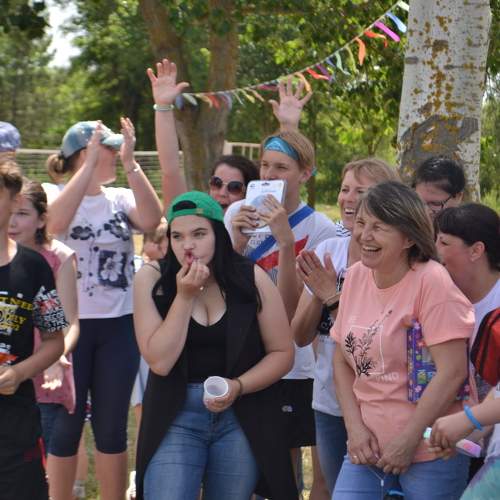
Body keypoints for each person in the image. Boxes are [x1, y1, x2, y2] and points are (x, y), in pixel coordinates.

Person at [133, 191, 296, 499]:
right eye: (177, 236)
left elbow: (282, 352)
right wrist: (184, 297)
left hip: (241, 414)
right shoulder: (152, 278)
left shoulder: (250, 277)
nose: (187, 245)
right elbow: (160, 361)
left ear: (218, 235)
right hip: (175, 414)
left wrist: (238, 386)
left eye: (199, 234)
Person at [41, 118, 162, 500]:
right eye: (110, 148)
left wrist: (131, 163)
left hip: (118, 327)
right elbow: (53, 224)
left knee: (111, 428)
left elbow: (152, 219)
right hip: (68, 330)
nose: (115, 153)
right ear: (83, 153)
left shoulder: (120, 197)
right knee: (65, 427)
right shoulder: (51, 192)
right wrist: (91, 164)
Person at [331, 181, 475, 499]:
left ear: (409, 237)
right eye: (362, 223)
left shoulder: (432, 281)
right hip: (367, 447)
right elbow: (341, 359)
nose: (364, 235)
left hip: (430, 449)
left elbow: (452, 371)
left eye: (379, 227)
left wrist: (409, 439)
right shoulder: (355, 276)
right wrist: (354, 429)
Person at [291, 158, 399, 497]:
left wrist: (331, 295)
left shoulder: (392, 264)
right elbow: (299, 336)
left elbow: (371, 344)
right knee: (331, 485)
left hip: (379, 403)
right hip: (328, 399)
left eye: (361, 192)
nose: (349, 199)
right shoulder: (329, 250)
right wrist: (317, 293)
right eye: (344, 189)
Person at [0, 161, 66, 500]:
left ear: (13, 202)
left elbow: (55, 340)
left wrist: (19, 373)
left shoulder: (34, 267)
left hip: (15, 428)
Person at [8, 178, 79, 454]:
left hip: (47, 380)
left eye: (22, 213)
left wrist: (57, 355)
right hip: (6, 376)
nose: (12, 221)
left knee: (39, 461)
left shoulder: (58, 257)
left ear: (41, 219)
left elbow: (70, 323)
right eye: (8, 211)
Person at [146, 59, 259, 211]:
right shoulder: (196, 219)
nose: (222, 193)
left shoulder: (262, 225)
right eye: (216, 183)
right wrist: (163, 105)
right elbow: (171, 171)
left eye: (234, 187)